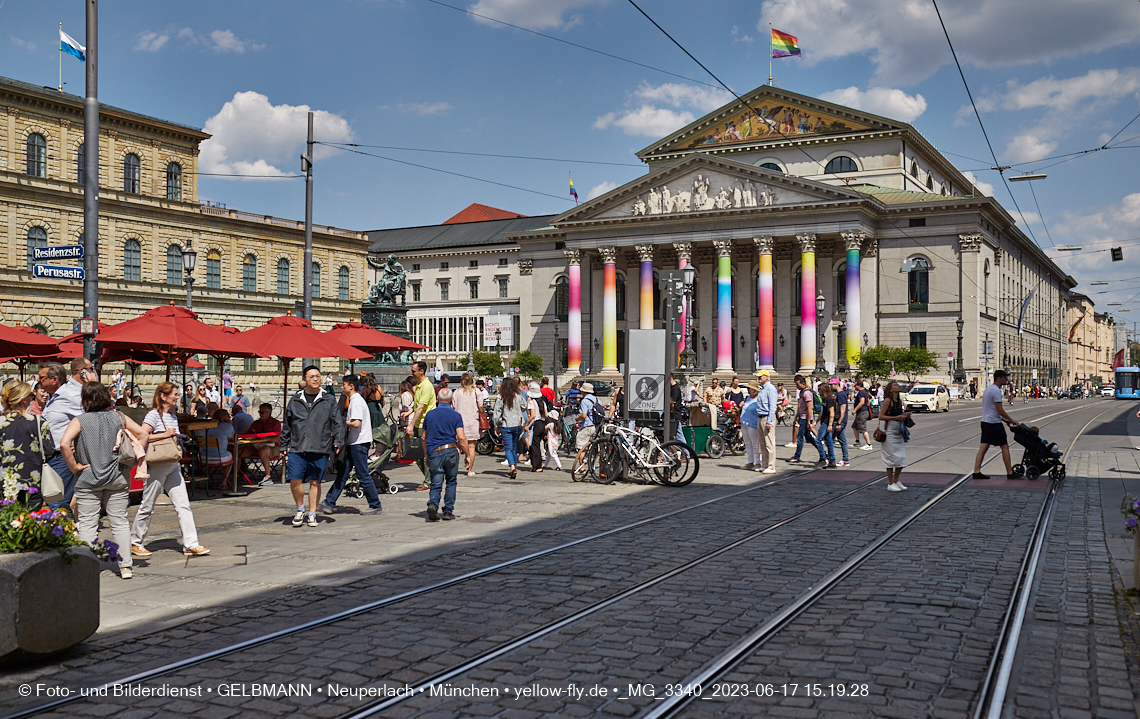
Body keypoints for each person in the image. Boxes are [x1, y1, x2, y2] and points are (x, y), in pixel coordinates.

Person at [61, 382, 146, 579]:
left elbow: (64, 444)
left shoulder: (80, 420)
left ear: (85, 399)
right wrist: (131, 460)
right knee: (119, 522)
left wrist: (74, 467)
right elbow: (143, 434)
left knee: (88, 524)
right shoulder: (119, 417)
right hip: (117, 477)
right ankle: (126, 566)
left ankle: (87, 568)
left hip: (88, 479)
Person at [130, 382, 210, 558]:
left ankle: (191, 544)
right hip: (157, 465)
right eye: (174, 394)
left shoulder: (173, 416)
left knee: (183, 505)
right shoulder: (153, 415)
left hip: (173, 465)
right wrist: (164, 435)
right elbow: (142, 436)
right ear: (163, 396)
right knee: (148, 504)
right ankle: (135, 542)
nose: (177, 397)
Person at [282, 365, 345, 528]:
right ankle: (300, 509)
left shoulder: (328, 399)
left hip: (320, 446)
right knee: (294, 480)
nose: (316, 379)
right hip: (297, 447)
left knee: (315, 482)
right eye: (311, 376)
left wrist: (338, 440)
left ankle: (312, 513)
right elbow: (287, 423)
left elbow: (337, 422)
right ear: (304, 379)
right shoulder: (296, 399)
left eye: (318, 376)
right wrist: (283, 444)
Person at [319, 375, 383, 516]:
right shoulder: (354, 400)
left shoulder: (356, 401)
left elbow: (356, 423)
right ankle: (329, 502)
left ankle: (375, 505)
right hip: (354, 442)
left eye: (344, 385)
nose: (342, 387)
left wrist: (341, 421)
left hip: (358, 443)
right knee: (343, 473)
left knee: (362, 474)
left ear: (351, 386)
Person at [41, 359, 90, 511]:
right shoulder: (53, 397)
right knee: (55, 502)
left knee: (58, 503)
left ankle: (66, 526)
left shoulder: (71, 396)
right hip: (50, 457)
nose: (39, 381)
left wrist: (77, 444)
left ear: (54, 379)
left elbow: (88, 420)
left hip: (62, 457)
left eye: (42, 378)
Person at [0, 381, 54, 509]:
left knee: (7, 519)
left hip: (4, 482)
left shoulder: (1, 422)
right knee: (30, 519)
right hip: (32, 482)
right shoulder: (38, 421)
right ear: (24, 400)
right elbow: (49, 450)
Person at [422, 387, 468, 521]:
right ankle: (448, 511)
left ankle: (433, 504)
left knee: (436, 482)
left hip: (434, 452)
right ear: (452, 400)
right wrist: (468, 455)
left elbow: (423, 437)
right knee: (451, 481)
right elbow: (461, 437)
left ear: (437, 399)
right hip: (451, 451)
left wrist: (426, 454)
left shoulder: (429, 415)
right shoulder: (456, 415)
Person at [972, 369, 1021, 480]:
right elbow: (999, 410)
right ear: (999, 378)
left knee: (983, 447)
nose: (1006, 380)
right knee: (1004, 447)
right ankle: (1009, 472)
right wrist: (1011, 419)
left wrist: (1005, 420)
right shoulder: (996, 391)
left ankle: (976, 471)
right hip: (994, 424)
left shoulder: (988, 389)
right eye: (1004, 378)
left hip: (985, 422)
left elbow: (992, 410)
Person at [406, 362, 437, 492]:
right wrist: (409, 413)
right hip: (419, 423)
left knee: (425, 454)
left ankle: (429, 481)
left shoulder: (427, 386)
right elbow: (416, 406)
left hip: (426, 424)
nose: (412, 373)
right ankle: (431, 479)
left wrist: (411, 424)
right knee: (417, 454)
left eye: (414, 371)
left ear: (421, 371)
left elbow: (421, 407)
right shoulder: (419, 386)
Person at [878, 380, 912, 490]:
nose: (898, 386)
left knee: (901, 457)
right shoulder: (888, 400)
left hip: (898, 430)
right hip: (889, 431)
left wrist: (905, 415)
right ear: (891, 389)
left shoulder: (899, 401)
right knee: (891, 457)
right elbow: (881, 416)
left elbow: (898, 414)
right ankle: (890, 482)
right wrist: (896, 417)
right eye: (895, 385)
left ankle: (896, 480)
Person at [788, 375, 826, 466]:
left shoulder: (807, 393)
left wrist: (809, 421)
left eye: (798, 385)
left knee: (800, 437)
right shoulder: (802, 392)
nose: (797, 386)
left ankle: (797, 456)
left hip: (806, 418)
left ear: (803, 383)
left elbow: (810, 408)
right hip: (802, 417)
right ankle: (823, 453)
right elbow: (800, 406)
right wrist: (797, 416)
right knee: (808, 437)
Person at [242, 403, 283, 485]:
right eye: (259, 412)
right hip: (256, 445)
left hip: (272, 447)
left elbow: (278, 438)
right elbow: (247, 434)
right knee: (238, 452)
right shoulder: (256, 423)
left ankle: (268, 476)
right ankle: (236, 475)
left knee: (263, 450)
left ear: (269, 412)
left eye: (262, 412)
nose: (260, 414)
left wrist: (265, 438)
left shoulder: (275, 423)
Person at [493, 377, 526, 479]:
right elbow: (524, 406)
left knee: (508, 448)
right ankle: (514, 467)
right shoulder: (517, 396)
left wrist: (496, 426)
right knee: (514, 447)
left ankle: (512, 466)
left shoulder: (501, 397)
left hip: (506, 425)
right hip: (517, 424)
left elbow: (497, 413)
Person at [451, 373, 481, 477]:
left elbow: (453, 406)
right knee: (472, 446)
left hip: (459, 421)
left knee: (458, 446)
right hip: (473, 420)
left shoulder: (457, 392)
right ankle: (470, 470)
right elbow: (480, 405)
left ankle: (453, 469)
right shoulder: (476, 391)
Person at [571, 382, 598, 474]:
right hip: (596, 426)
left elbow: (583, 415)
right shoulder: (597, 400)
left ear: (584, 391)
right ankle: (592, 465)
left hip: (587, 426)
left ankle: (582, 468)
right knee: (593, 446)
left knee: (581, 447)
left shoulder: (584, 401)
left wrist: (577, 418)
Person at [755, 372, 778, 473]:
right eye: (758, 377)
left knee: (769, 443)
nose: (759, 379)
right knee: (763, 443)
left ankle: (771, 466)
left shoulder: (770, 388)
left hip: (767, 417)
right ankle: (764, 464)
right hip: (760, 417)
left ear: (766, 377)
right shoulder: (762, 389)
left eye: (761, 377)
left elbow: (773, 406)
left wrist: (769, 421)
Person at [525, 382, 550, 472]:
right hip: (542, 424)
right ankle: (538, 465)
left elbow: (532, 415)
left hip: (536, 424)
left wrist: (527, 425)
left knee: (534, 446)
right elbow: (546, 415)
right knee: (538, 444)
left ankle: (536, 466)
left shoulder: (532, 402)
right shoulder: (542, 402)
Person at [739, 381, 761, 471]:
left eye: (749, 388)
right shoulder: (747, 398)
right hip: (744, 422)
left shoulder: (758, 400)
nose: (747, 390)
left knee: (755, 444)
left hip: (753, 423)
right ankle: (750, 462)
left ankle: (758, 462)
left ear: (754, 390)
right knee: (747, 443)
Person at [817, 383, 838, 469]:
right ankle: (832, 460)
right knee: (829, 442)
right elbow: (822, 412)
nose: (818, 391)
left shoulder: (829, 399)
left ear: (823, 390)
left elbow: (832, 412)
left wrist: (830, 425)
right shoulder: (824, 399)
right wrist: (816, 421)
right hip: (824, 421)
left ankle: (823, 458)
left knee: (818, 439)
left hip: (826, 423)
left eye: (819, 389)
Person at [852, 381, 873, 451]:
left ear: (858, 385)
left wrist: (855, 409)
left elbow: (862, 402)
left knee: (863, 428)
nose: (854, 387)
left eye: (855, 385)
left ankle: (868, 444)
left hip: (862, 412)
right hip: (862, 412)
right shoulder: (865, 391)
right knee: (854, 426)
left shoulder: (861, 392)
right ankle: (857, 441)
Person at [833, 382, 850, 466]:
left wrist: (839, 423)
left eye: (831, 385)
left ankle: (831, 459)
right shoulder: (840, 394)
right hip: (841, 421)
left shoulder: (840, 395)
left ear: (836, 385)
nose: (830, 386)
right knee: (842, 440)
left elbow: (842, 410)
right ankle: (845, 460)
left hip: (840, 421)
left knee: (830, 439)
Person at [544, 407, 564, 471]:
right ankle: (545, 465)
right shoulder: (557, 425)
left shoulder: (550, 424)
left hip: (551, 442)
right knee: (549, 454)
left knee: (554, 454)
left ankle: (559, 466)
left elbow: (545, 428)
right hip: (555, 442)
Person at [669, 375, 684, 443]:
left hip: (675, 415)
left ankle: (685, 449)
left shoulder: (675, 389)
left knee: (679, 435)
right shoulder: (673, 388)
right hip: (674, 414)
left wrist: (670, 411)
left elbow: (672, 403)